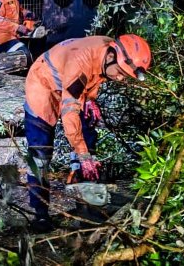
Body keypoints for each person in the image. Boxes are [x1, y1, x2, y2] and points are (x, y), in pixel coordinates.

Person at [23, 34, 152, 233]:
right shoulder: (80, 61)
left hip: (72, 84)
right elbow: (69, 113)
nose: (119, 78)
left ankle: (84, 189)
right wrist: (82, 153)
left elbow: (94, 75)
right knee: (40, 153)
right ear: (111, 56)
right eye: (119, 72)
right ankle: (40, 213)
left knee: (88, 124)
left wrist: (90, 98)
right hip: (43, 84)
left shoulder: (109, 49)